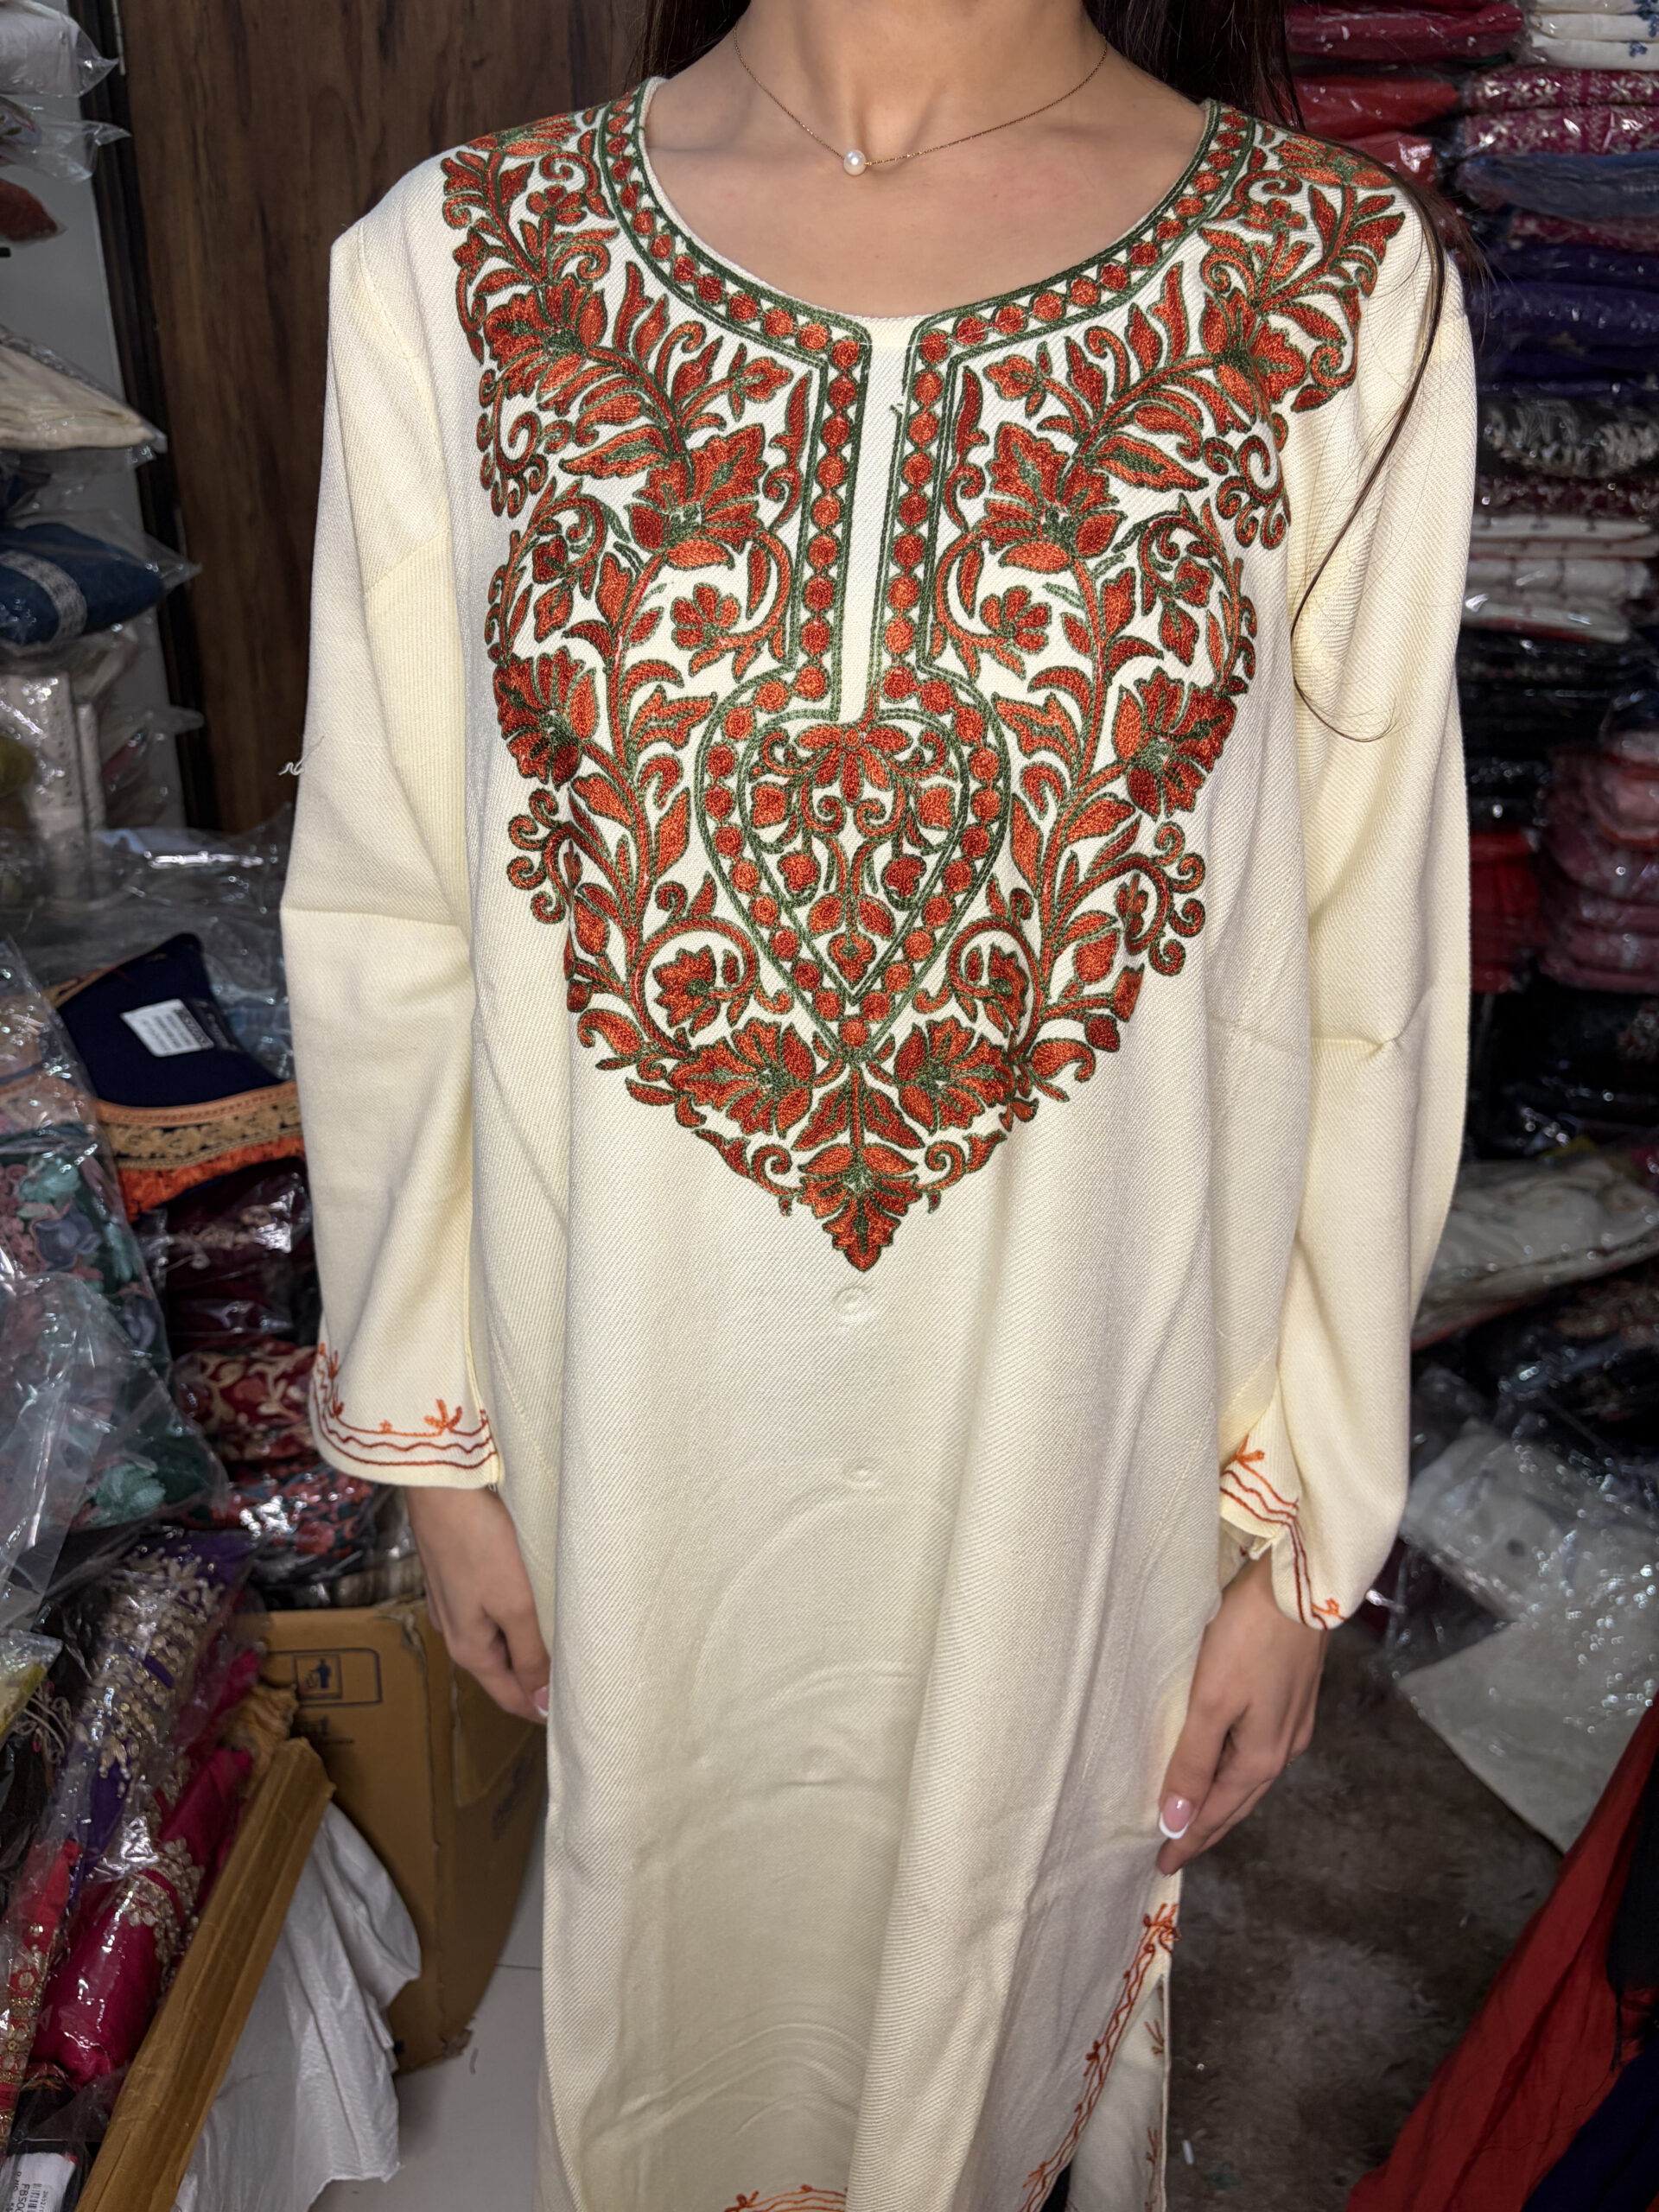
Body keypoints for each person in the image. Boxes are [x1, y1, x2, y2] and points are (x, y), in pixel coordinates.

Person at [281, 0, 1473, 2202]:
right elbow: (390, 903)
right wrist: (435, 1441)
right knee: (680, 1999)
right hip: (643, 1438)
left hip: (1080, 1464)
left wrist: (1308, 1529)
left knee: (993, 2025)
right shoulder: (456, 265)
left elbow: (1370, 967)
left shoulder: (1330, 286)